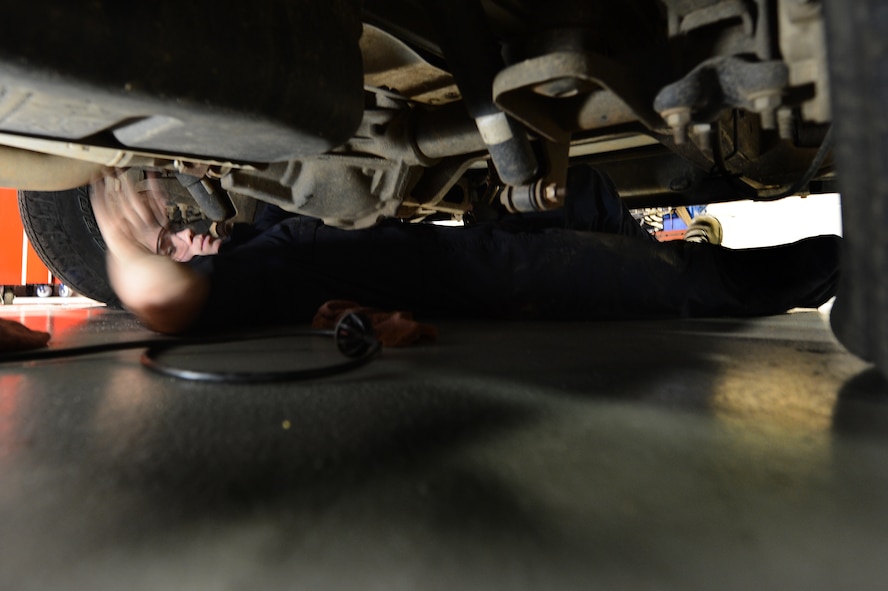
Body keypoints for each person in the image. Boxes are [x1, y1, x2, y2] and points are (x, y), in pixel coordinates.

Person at [89, 166, 841, 335]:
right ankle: (850, 261)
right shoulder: (247, 280)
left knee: (579, 189)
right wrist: (122, 246)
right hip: (501, 281)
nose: (188, 230)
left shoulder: (256, 239)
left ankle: (617, 243)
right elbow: (168, 302)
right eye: (172, 240)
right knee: (688, 281)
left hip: (487, 247)